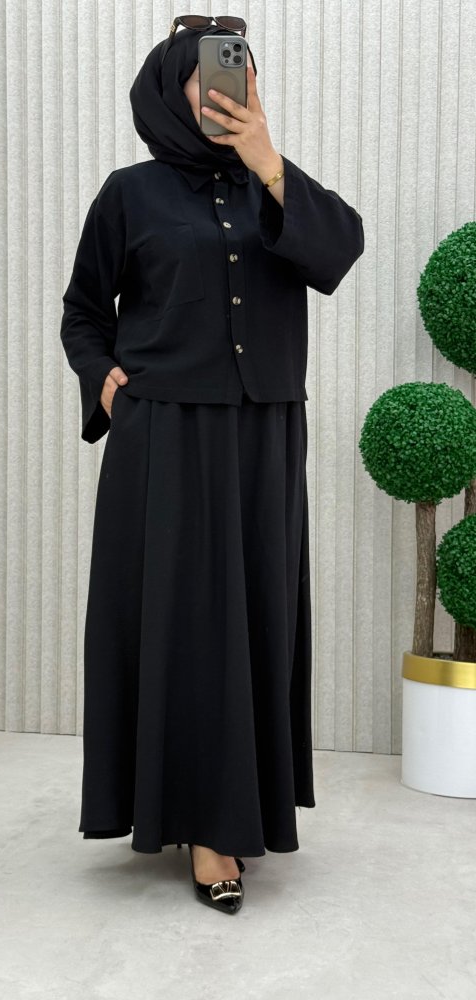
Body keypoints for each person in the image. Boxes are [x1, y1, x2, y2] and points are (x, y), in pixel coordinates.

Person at [60, 20, 363, 915]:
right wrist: (103, 380)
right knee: (186, 624)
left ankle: (240, 809)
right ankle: (204, 828)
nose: (229, 89)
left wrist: (270, 162)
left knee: (256, 616)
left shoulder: (278, 188)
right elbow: (84, 310)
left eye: (243, 72)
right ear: (171, 89)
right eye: (208, 76)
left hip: (265, 432)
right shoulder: (130, 194)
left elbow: (338, 254)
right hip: (165, 437)